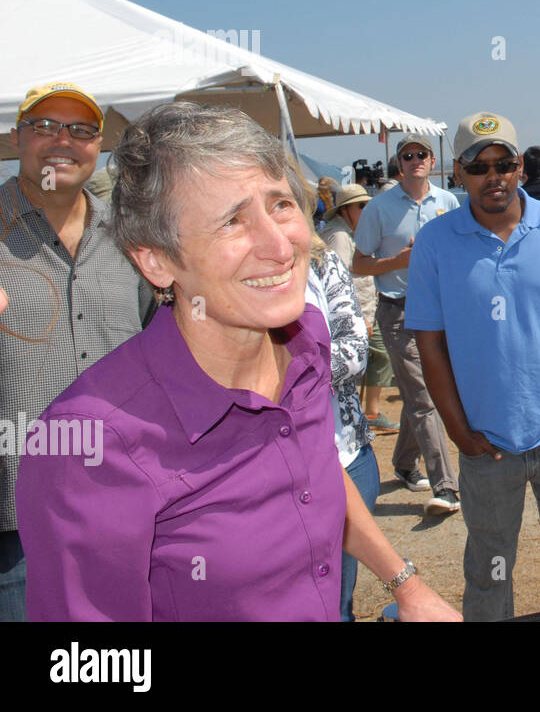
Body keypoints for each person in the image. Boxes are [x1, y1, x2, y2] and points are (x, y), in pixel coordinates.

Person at [15, 103, 459, 621]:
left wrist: (405, 584)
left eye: (280, 205)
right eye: (231, 221)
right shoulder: (91, 446)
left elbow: (315, 475)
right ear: (155, 260)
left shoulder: (304, 344)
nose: (279, 246)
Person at [408, 111, 540, 621]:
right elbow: (430, 346)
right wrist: (459, 432)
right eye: (478, 167)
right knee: (488, 570)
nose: (493, 176)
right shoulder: (435, 243)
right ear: (457, 173)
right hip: (485, 447)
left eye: (503, 163)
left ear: (520, 166)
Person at [0, 82, 153, 622]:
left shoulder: (130, 235)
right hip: (13, 517)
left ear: (99, 146)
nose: (63, 140)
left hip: (124, 501)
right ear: (17, 137)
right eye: (44, 126)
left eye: (81, 130)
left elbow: (159, 348)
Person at [352, 133, 461, 514]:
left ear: (432, 161)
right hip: (397, 311)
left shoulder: (448, 202)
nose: (415, 160)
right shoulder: (378, 209)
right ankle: (447, 486)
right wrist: (396, 262)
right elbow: (358, 263)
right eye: (407, 155)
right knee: (425, 395)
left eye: (422, 154)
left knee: (422, 393)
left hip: (442, 310)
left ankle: (402, 462)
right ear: (399, 164)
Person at [305, 228, 378, 620]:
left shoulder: (321, 261)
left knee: (338, 597)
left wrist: (284, 374)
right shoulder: (219, 269)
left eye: (282, 201)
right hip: (267, 469)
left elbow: (354, 347)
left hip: (347, 456)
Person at [320, 185, 397, 434]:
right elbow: (339, 281)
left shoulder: (350, 233)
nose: (366, 210)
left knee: (369, 359)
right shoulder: (341, 237)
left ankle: (366, 412)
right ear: (345, 210)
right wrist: (356, 316)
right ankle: (363, 414)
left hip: (362, 310)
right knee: (361, 361)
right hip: (353, 315)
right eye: (360, 206)